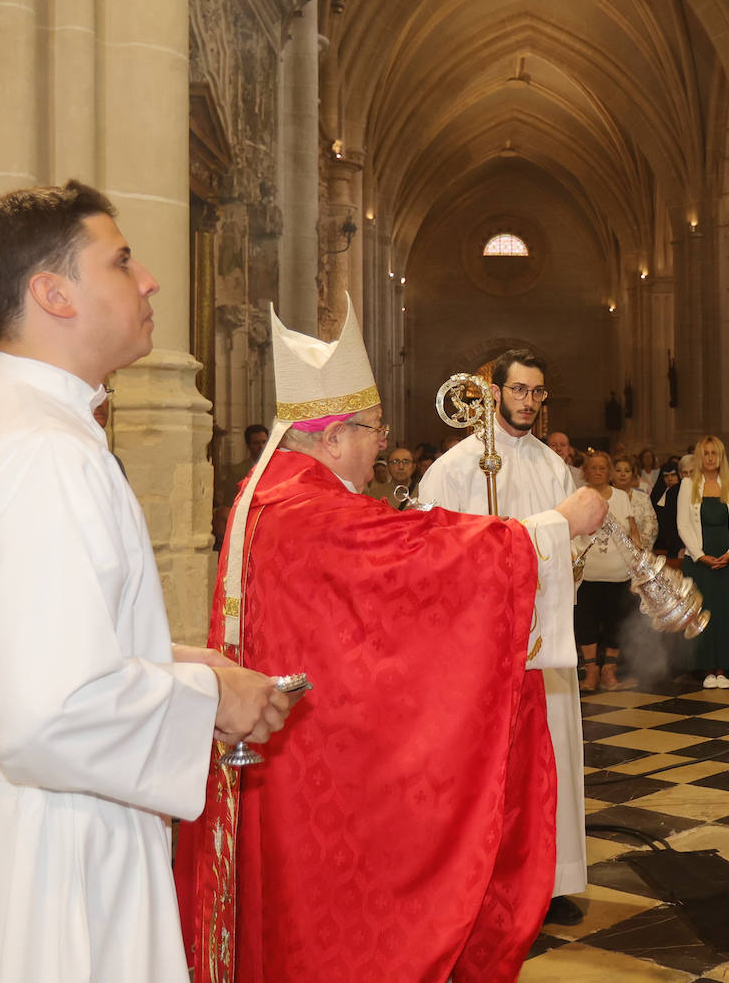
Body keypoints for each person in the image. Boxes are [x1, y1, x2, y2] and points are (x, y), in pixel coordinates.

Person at [175, 305, 604, 983]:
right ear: (335, 434)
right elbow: (420, 559)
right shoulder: (308, 509)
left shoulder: (276, 494)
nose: (383, 444)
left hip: (291, 745)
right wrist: (551, 527)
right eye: (375, 430)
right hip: (312, 760)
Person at [0, 181, 293, 982]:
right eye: (119, 261)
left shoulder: (9, 425)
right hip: (58, 849)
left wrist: (183, 660)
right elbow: (49, 712)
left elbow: (19, 640)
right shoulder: (50, 452)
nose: (149, 279)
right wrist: (213, 700)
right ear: (52, 293)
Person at [419, 348, 590, 927]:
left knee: (555, 751)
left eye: (538, 393)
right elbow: (434, 553)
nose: (528, 402)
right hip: (481, 645)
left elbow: (573, 548)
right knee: (494, 765)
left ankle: (556, 879)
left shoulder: (552, 466)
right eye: (519, 391)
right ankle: (487, 885)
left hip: (548, 636)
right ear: (494, 394)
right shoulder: (454, 468)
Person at [677, 435, 729, 689]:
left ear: (721, 456)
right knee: (703, 612)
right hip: (700, 560)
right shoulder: (688, 484)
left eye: (714, 453)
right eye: (706, 453)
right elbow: (683, 524)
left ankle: (724, 668)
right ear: (699, 457)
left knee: (728, 613)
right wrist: (699, 555)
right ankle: (707, 669)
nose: (710, 458)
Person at [577, 450, 637, 690]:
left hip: (618, 572)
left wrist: (638, 557)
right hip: (587, 574)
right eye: (593, 468)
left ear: (609, 471)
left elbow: (633, 530)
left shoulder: (621, 497)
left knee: (616, 623)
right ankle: (591, 673)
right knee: (586, 623)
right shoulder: (578, 497)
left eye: (603, 468)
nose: (598, 472)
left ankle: (609, 674)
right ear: (585, 471)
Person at [613, 454, 658, 551]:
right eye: (618, 470)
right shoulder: (606, 498)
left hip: (639, 551)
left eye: (627, 471)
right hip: (613, 551)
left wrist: (637, 546)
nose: (622, 474)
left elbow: (651, 525)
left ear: (633, 474)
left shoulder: (643, 497)